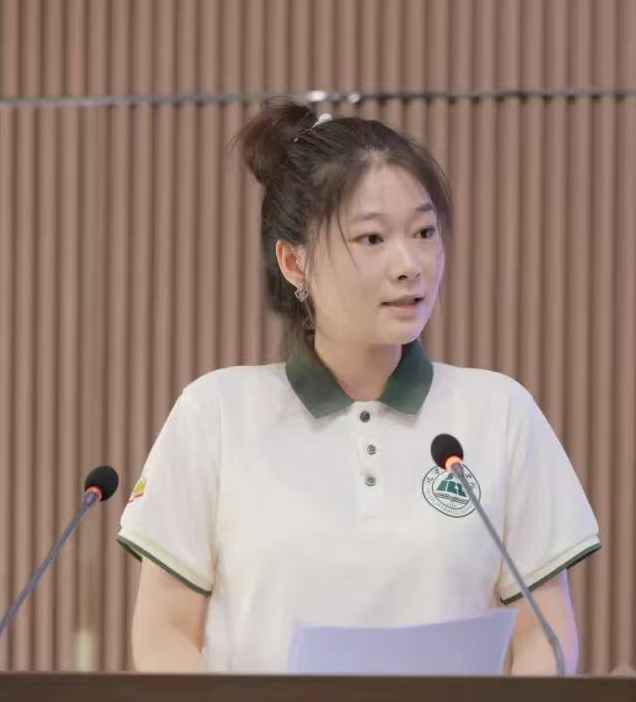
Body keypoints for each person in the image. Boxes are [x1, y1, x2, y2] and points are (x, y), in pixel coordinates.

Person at [117, 100, 601, 675]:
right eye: (371, 239)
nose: (410, 264)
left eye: (424, 232)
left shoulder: (501, 414)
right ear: (294, 263)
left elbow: (544, 636)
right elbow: (165, 631)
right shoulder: (215, 415)